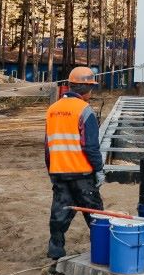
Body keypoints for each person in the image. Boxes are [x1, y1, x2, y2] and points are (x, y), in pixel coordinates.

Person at [44, 65, 104, 260]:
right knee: (96, 215)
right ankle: (103, 250)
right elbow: (90, 147)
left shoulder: (52, 110)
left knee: (59, 213)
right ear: (87, 89)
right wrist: (99, 169)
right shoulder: (85, 111)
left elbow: (48, 146)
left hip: (59, 172)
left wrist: (51, 169)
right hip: (82, 174)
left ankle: (55, 250)